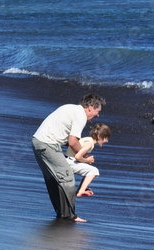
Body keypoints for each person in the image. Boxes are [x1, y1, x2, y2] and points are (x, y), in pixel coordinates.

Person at [31, 93, 105, 222]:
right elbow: (72, 142)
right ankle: (69, 215)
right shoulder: (80, 115)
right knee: (67, 177)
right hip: (48, 144)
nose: (98, 115)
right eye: (97, 111)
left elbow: (67, 139)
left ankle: (62, 213)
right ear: (90, 107)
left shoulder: (70, 108)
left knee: (53, 180)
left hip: (37, 142)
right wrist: (85, 158)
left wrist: (80, 149)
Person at [67, 123, 110, 198]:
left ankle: (82, 188)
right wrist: (87, 160)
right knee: (94, 171)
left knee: (88, 171)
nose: (107, 141)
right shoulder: (89, 144)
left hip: (68, 159)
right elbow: (77, 156)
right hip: (70, 162)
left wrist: (86, 159)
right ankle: (81, 191)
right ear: (99, 137)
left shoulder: (87, 139)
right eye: (106, 138)